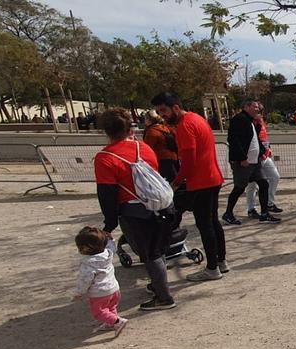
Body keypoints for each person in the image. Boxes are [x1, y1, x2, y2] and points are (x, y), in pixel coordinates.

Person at [93, 107, 177, 311]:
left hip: (135, 212)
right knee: (158, 249)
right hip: (162, 206)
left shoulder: (105, 158)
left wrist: (109, 223)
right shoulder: (143, 148)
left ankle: (164, 297)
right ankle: (159, 284)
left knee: (149, 254)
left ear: (106, 130)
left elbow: (107, 194)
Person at [152, 91, 227, 282]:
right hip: (212, 178)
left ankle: (212, 268)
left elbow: (189, 161)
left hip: (201, 181)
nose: (162, 116)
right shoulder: (196, 118)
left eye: (164, 111)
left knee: (205, 224)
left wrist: (175, 183)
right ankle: (220, 261)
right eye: (159, 112)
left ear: (175, 107)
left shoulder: (185, 126)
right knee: (213, 221)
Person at [222, 100, 276, 226]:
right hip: (244, 162)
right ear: (246, 107)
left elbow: (254, 139)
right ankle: (228, 213)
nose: (257, 109)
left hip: (255, 161)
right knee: (239, 188)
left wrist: (262, 152)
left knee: (264, 184)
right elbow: (233, 140)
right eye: (254, 106)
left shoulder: (250, 121)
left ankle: (264, 214)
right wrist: (242, 158)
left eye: (258, 107)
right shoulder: (239, 119)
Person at [74, 226, 127, 336]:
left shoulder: (88, 263)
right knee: (110, 307)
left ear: (85, 248)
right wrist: (111, 239)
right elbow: (112, 246)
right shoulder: (108, 253)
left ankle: (117, 321)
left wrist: (79, 293)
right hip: (114, 288)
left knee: (98, 312)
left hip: (100, 293)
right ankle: (110, 323)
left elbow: (85, 280)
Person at [243, 103, 283, 219]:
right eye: (257, 110)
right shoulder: (249, 122)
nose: (259, 113)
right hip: (254, 157)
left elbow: (263, 137)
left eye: (260, 111)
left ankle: (269, 203)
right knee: (252, 185)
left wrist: (267, 149)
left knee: (274, 177)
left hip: (265, 155)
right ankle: (251, 208)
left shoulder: (261, 121)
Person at [142, 111, 180, 183]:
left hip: (162, 159)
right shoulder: (164, 128)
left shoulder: (152, 131)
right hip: (173, 156)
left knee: (166, 182)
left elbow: (148, 148)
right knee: (174, 179)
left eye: (145, 119)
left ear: (149, 120)